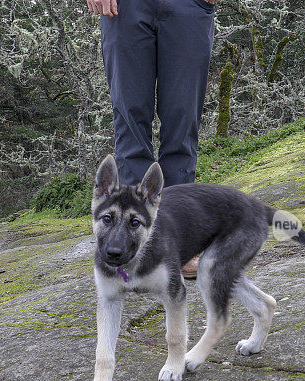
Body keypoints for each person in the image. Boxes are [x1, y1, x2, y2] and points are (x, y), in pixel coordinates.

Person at [90, 0, 216, 277]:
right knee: (130, 119)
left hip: (188, 7)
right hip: (124, 6)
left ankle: (180, 246)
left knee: (183, 119)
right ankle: (136, 246)